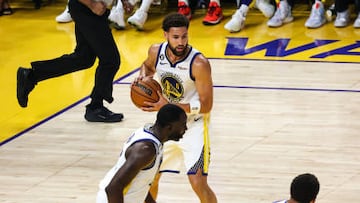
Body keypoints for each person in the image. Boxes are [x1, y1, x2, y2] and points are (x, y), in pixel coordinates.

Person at [133, 13, 217, 202]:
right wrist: (142, 77)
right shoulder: (156, 51)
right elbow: (146, 66)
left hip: (193, 125)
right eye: (176, 37)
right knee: (150, 179)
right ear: (165, 35)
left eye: (184, 36)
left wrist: (168, 105)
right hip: (166, 125)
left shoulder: (199, 63)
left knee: (198, 182)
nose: (181, 42)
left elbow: (207, 105)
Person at [16, 0, 134, 122]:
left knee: (83, 58)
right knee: (110, 60)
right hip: (87, 8)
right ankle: (95, 107)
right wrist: (92, 4)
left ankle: (32, 75)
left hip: (91, 9)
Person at [96, 104, 188, 203]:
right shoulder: (146, 150)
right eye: (183, 124)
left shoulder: (153, 136)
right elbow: (113, 189)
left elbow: (140, 182)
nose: (186, 128)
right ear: (169, 127)